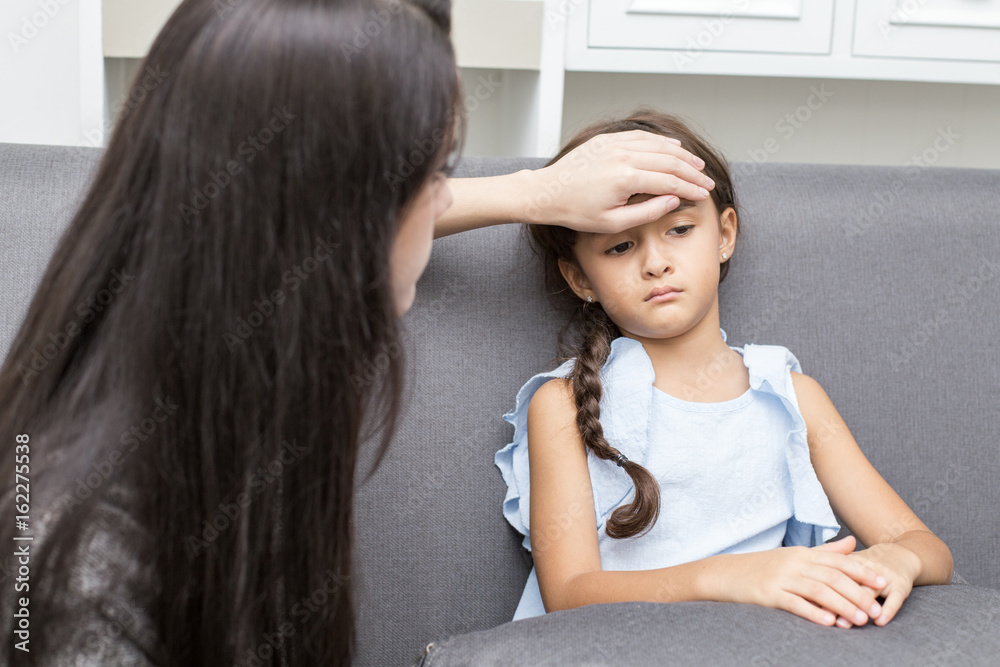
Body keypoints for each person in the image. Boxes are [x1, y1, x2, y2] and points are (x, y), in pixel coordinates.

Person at [0, 1, 715, 665]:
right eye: (436, 176)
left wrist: (537, 190)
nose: (444, 206)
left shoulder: (217, 412)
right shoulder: (84, 554)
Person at [494, 108, 954, 631]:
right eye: (620, 246)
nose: (655, 262)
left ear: (724, 234)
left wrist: (897, 560)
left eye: (681, 229)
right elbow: (569, 593)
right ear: (580, 277)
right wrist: (730, 578)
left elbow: (927, 548)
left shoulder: (790, 395)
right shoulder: (560, 404)